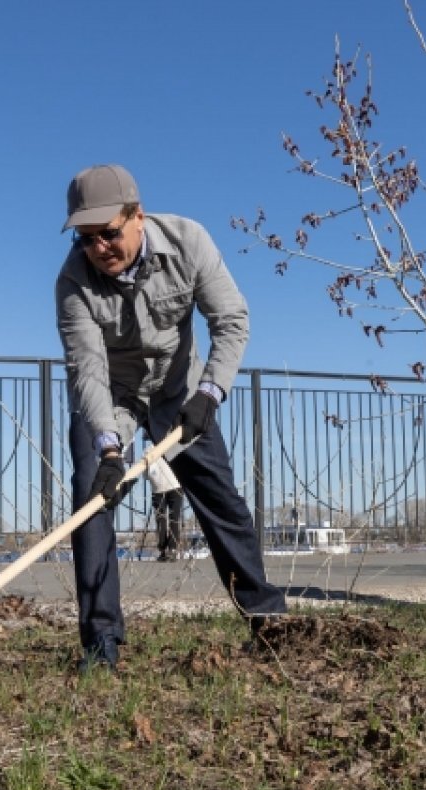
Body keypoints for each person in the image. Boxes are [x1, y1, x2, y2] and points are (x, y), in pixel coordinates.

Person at [55, 164, 287, 671]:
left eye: (109, 233)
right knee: (91, 498)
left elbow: (231, 319)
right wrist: (109, 448)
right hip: (113, 395)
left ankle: (268, 621)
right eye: (86, 237)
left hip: (181, 390)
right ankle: (102, 643)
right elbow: (87, 371)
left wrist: (210, 392)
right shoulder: (73, 281)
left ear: (137, 216)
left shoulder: (188, 242)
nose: (99, 248)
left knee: (219, 498)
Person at [147, 451, 185, 561]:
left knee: (160, 519)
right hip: (175, 484)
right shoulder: (174, 445)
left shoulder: (149, 450)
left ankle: (163, 549)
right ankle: (172, 549)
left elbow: (146, 474)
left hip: (158, 488)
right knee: (174, 518)